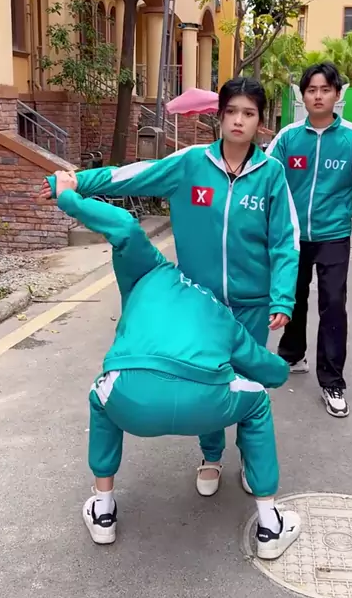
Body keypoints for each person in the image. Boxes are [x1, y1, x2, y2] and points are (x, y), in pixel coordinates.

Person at [40, 78, 300, 496]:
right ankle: (211, 456)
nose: (239, 120)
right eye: (232, 111)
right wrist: (75, 182)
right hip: (198, 303)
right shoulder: (191, 163)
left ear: (260, 121)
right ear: (219, 117)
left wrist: (282, 297)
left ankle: (252, 463)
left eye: (249, 113)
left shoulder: (271, 175)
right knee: (207, 376)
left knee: (248, 382)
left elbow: (285, 241)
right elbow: (131, 176)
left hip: (253, 303)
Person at [48, 169, 301, 560]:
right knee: (256, 400)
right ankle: (270, 525)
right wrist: (282, 372)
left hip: (131, 397)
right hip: (205, 403)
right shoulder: (221, 313)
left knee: (100, 398)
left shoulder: (150, 269)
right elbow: (267, 368)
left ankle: (103, 509)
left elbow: (123, 227)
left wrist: (68, 197)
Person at [266, 62, 352, 418]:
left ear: (337, 94)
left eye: (325, 90)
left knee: (332, 303)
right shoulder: (288, 137)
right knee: (293, 296)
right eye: (311, 90)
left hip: (334, 234)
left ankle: (332, 380)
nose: (318, 96)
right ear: (303, 96)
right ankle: (292, 354)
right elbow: (266, 176)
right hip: (293, 234)